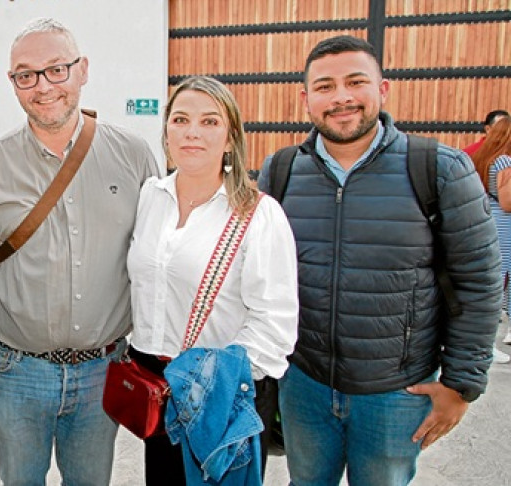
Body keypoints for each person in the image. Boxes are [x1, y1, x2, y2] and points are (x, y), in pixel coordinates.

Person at [258, 35, 502, 486]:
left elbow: (479, 283)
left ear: (383, 89)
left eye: (356, 82)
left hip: (396, 392)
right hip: (304, 383)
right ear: (305, 98)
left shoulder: (439, 169)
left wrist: (462, 385)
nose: (342, 98)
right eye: (325, 86)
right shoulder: (281, 170)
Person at [0, 17, 159, 485]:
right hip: (15, 372)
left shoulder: (134, 155)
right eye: (26, 75)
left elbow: (154, 259)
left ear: (82, 70)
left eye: (56, 70)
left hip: (102, 370)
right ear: (13, 83)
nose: (42, 86)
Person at [127, 75, 299, 484]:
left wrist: (209, 379)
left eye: (209, 122)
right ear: (166, 131)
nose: (192, 133)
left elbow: (276, 327)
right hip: (157, 386)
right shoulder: (151, 196)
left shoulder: (258, 213)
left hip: (218, 392)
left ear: (231, 137)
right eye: (181, 119)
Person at [471, 118, 511, 348]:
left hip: (486, 219)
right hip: (504, 226)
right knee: (502, 280)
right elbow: (507, 202)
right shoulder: (505, 161)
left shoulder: (481, 159)